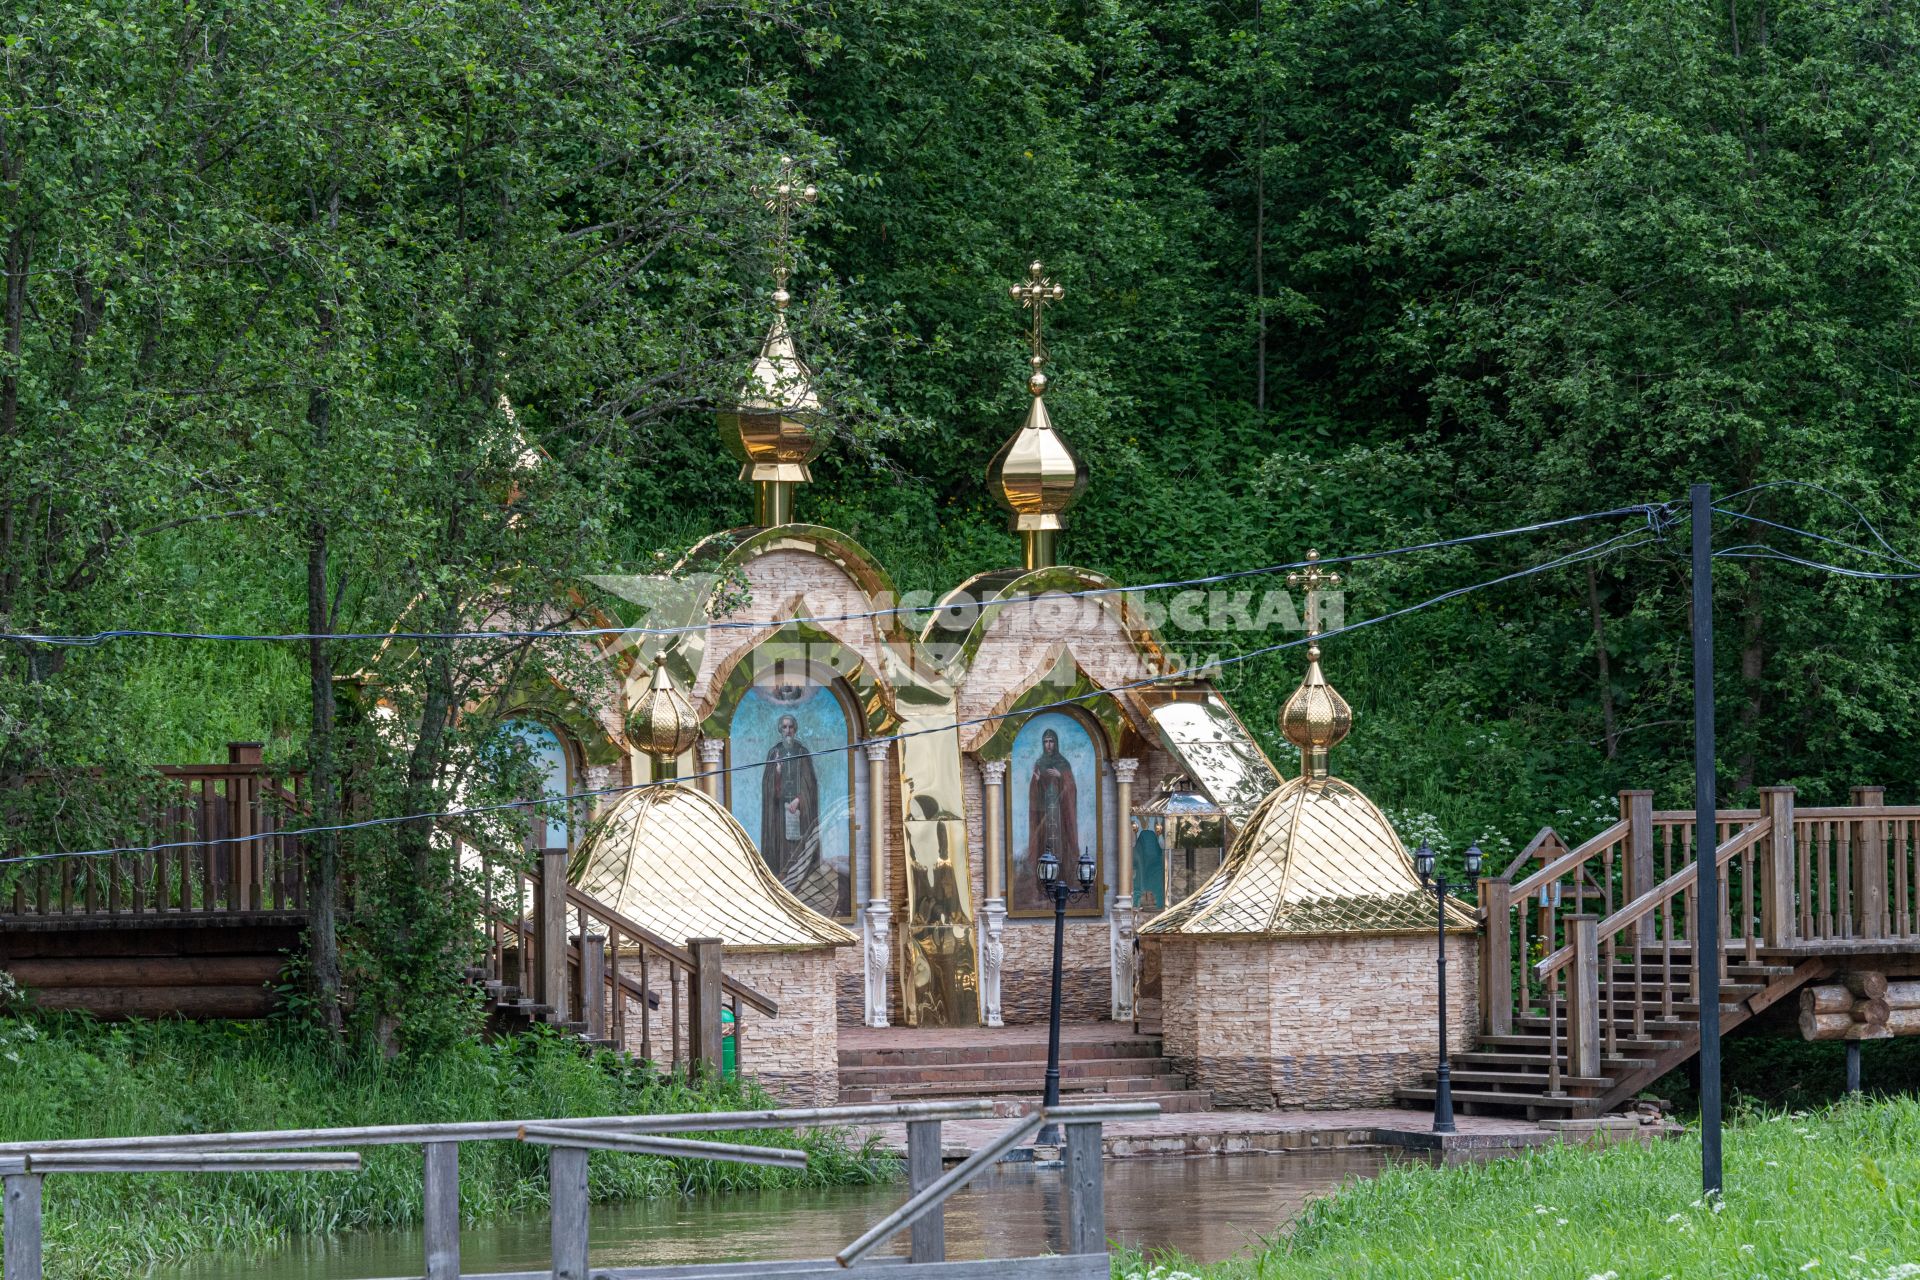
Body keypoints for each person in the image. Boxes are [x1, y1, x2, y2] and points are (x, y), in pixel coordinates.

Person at [760, 713, 823, 896]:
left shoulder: (802, 752)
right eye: (784, 727)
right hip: (780, 811)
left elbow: (810, 783)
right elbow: (767, 783)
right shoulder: (775, 752)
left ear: (795, 729)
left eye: (790, 727)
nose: (787, 731)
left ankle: (801, 879)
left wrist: (799, 799)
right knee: (782, 844)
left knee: (798, 844)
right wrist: (777, 773)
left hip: (799, 810)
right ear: (780, 730)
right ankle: (781, 880)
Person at [1023, 727, 1080, 906]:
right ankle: (1043, 888)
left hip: (1060, 817)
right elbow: (1034, 792)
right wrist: (1037, 782)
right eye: (1046, 742)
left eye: (1051, 741)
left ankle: (1062, 886)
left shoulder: (1063, 764)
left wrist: (1061, 776)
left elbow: (1071, 788)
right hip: (1045, 816)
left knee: (1061, 848)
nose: (1048, 745)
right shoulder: (1040, 763)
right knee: (1044, 848)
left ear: (1056, 743)